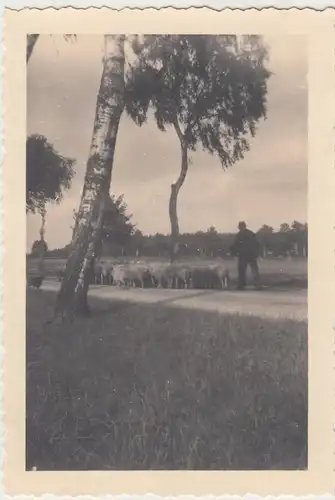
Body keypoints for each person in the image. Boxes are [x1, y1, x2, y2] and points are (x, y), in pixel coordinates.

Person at [230, 221, 262, 290]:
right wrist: (256, 253)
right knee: (253, 270)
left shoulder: (239, 235)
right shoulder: (250, 233)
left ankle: (242, 285)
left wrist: (234, 253)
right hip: (250, 254)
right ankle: (257, 285)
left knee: (242, 271)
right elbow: (257, 244)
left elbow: (235, 245)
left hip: (243, 255)